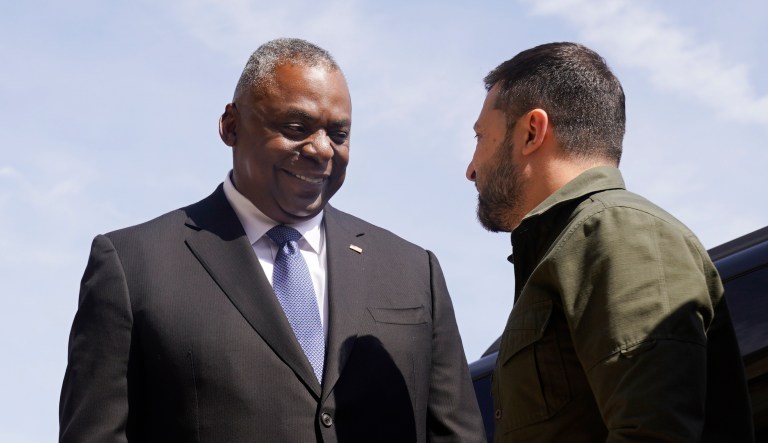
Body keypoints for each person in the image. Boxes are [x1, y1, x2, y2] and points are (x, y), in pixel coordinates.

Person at [60, 38, 484, 442]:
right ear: (231, 125)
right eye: (297, 127)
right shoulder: (134, 266)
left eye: (338, 135)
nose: (322, 150)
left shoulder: (414, 272)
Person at [466, 42, 753, 442]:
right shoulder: (578, 243)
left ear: (532, 131)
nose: (471, 169)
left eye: (481, 137)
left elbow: (653, 432)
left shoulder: (617, 231)